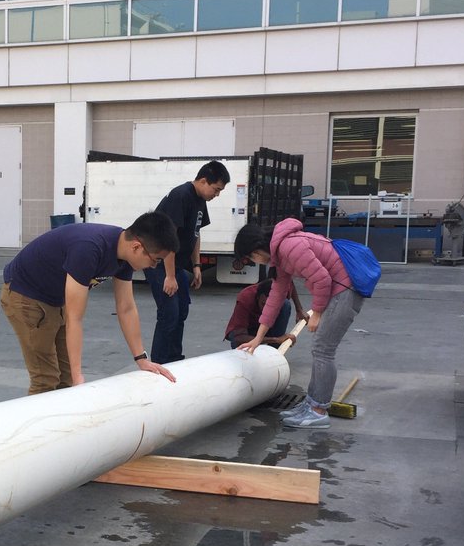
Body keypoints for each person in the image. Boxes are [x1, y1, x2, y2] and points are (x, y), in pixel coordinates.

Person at [1, 212, 180, 394]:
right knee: (46, 379)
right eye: (155, 260)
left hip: (55, 299)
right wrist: (79, 377)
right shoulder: (88, 249)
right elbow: (74, 317)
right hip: (26, 295)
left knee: (67, 377)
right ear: (136, 247)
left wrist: (141, 359)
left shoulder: (125, 256)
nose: (153, 266)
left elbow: (126, 308)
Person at [233, 219, 364, 429]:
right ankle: (312, 404)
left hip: (345, 291)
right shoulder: (279, 256)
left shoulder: (290, 246)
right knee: (320, 349)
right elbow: (276, 297)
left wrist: (317, 313)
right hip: (337, 291)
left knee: (323, 350)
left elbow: (322, 279)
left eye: (250, 257)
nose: (254, 261)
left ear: (256, 249)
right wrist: (257, 338)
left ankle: (318, 411)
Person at [144, 160, 231, 364]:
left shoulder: (200, 200)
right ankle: (160, 361)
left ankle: (175, 358)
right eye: (216, 189)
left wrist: (197, 265)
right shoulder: (181, 195)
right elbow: (168, 239)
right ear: (203, 181)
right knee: (169, 312)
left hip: (176, 264)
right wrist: (170, 276)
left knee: (182, 309)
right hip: (158, 261)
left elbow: (195, 232)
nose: (216, 195)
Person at [224, 270, 307, 349]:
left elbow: (289, 282)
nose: (266, 310)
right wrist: (276, 339)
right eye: (263, 304)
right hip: (248, 331)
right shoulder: (245, 298)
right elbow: (239, 336)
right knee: (240, 348)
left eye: (271, 306)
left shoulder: (281, 290)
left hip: (268, 328)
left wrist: (299, 309)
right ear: (257, 297)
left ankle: (274, 348)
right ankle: (276, 341)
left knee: (285, 304)